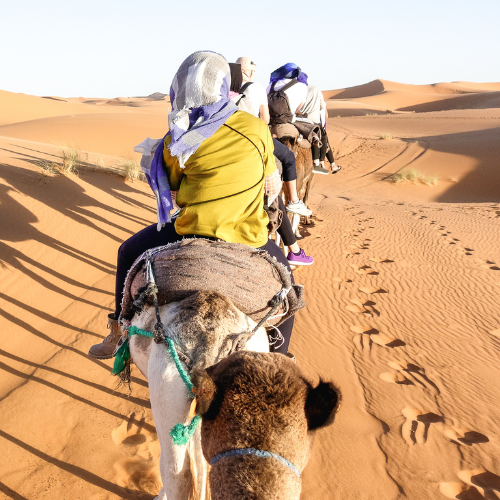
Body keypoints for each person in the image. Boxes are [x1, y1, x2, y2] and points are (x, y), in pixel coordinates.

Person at [88, 51, 296, 360]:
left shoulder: (180, 134)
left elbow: (170, 188)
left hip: (190, 231)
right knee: (287, 287)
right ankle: (280, 356)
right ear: (224, 86)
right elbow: (270, 180)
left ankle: (118, 332)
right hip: (247, 237)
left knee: (127, 252)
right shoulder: (256, 130)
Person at [300, 85, 342, 175]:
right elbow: (326, 115)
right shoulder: (317, 92)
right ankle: (320, 163)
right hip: (315, 122)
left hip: (300, 120)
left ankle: (329, 164)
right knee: (323, 139)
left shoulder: (300, 91)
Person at [235, 57, 270, 124]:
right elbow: (265, 120)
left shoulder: (227, 86)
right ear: (251, 71)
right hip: (251, 127)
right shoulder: (259, 88)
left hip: (231, 128)